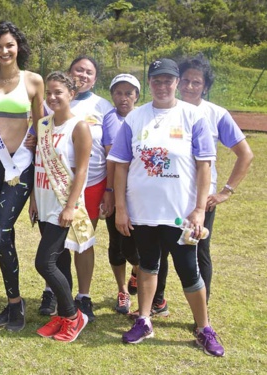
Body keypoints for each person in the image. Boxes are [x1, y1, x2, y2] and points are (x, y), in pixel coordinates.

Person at [108, 58, 225, 357]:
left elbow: (204, 166)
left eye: (168, 80)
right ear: (149, 83)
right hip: (143, 210)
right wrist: (121, 208)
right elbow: (120, 166)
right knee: (148, 265)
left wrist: (200, 210)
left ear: (177, 82)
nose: (162, 86)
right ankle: (144, 320)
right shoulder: (135, 118)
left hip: (180, 212)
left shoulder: (192, 116)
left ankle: (204, 327)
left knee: (189, 269)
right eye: (156, 80)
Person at [150, 54, 254, 322]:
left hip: (200, 199)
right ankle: (157, 301)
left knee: (197, 251)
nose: (190, 86)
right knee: (159, 249)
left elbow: (246, 154)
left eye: (197, 82)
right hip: (166, 195)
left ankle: (201, 310)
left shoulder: (216, 114)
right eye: (185, 80)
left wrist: (225, 191)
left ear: (205, 86)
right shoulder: (161, 111)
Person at [0, 20, 44, 332]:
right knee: (3, 235)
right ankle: (13, 302)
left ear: (18, 47)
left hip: (19, 167)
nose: (4, 50)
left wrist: (38, 188)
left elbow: (42, 126)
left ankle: (16, 305)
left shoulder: (33, 81)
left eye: (9, 45)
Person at [42, 56, 113, 321]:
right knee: (55, 244)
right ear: (70, 75)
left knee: (82, 242)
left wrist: (110, 190)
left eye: (89, 72)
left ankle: (83, 297)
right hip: (55, 186)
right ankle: (55, 292)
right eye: (78, 70)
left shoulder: (102, 106)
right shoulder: (51, 103)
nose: (83, 75)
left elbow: (110, 149)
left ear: (95, 78)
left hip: (93, 183)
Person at [30, 71, 93, 342]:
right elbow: (38, 162)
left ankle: (73, 316)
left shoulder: (79, 126)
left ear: (72, 95)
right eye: (50, 93)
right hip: (43, 200)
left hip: (62, 204)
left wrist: (70, 206)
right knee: (61, 262)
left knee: (44, 262)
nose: (53, 97)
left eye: (59, 92)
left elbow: (81, 170)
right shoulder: (43, 124)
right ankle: (63, 314)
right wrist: (33, 198)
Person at [103, 73, 141, 314]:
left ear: (137, 96)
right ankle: (122, 291)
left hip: (140, 194)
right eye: (118, 93)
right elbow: (111, 160)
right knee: (116, 244)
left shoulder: (145, 117)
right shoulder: (109, 119)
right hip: (117, 192)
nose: (123, 98)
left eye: (129, 93)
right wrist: (109, 191)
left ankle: (137, 272)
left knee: (136, 246)